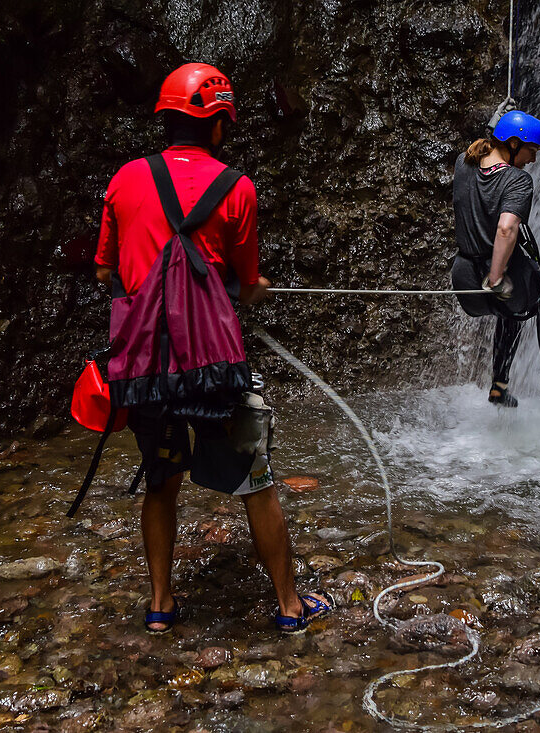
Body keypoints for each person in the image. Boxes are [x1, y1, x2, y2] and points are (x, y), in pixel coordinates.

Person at [93, 63, 332, 634]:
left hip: (147, 366)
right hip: (213, 368)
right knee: (256, 479)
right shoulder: (237, 187)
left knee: (160, 481)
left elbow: (107, 273)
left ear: (168, 117)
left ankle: (160, 603)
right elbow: (247, 287)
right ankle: (289, 606)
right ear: (219, 122)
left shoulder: (125, 179)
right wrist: (242, 288)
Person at [451, 109, 540, 410]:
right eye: (532, 151)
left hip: (464, 279)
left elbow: (489, 144)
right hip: (496, 277)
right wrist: (495, 277)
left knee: (514, 311)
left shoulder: (462, 163)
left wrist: (497, 120)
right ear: (515, 144)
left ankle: (499, 386)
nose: (533, 159)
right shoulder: (518, 181)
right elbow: (507, 228)